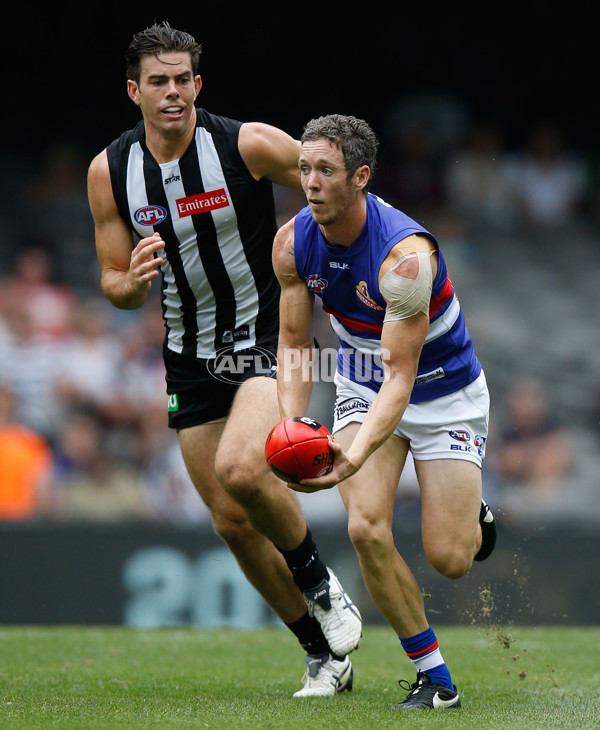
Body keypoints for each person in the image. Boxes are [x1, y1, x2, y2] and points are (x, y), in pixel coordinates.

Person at [87, 22, 362, 697]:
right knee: (231, 520)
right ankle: (325, 656)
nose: (173, 91)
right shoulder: (110, 171)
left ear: (198, 84)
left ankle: (320, 581)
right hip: (187, 355)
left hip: (266, 338)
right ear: (135, 91)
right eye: (159, 81)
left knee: (244, 468)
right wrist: (131, 282)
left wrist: (341, 259)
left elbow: (331, 183)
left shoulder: (249, 144)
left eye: (183, 78)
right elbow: (113, 283)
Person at [273, 114, 497, 711]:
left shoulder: (405, 257)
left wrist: (352, 456)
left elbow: (404, 373)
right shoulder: (293, 242)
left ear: (361, 177)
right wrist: (289, 423)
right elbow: (295, 346)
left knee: (451, 559)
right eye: (304, 170)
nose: (310, 183)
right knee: (364, 527)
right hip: (362, 382)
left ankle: (473, 512)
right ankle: (436, 678)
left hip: (441, 389)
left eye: (325, 171)